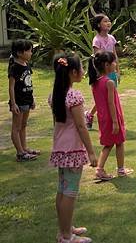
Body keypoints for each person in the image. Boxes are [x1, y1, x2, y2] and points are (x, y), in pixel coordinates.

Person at [49, 53, 97, 243]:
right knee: (70, 192)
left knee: (62, 189)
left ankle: (65, 228)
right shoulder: (74, 95)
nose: (83, 72)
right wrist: (91, 151)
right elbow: (80, 126)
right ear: (73, 72)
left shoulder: (56, 94)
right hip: (72, 149)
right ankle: (67, 236)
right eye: (81, 68)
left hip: (60, 147)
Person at [88, 50, 132, 180]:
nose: (115, 64)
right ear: (106, 65)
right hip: (112, 118)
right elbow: (111, 104)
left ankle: (101, 169)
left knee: (109, 144)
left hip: (103, 118)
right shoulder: (109, 83)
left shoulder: (95, 82)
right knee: (119, 142)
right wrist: (115, 121)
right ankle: (119, 170)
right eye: (113, 62)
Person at [85, 14, 120, 130]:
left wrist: (117, 71)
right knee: (102, 98)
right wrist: (101, 73)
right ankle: (90, 115)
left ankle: (111, 119)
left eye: (109, 20)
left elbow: (115, 56)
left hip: (112, 72)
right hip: (101, 74)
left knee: (111, 96)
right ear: (99, 25)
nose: (108, 23)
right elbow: (97, 58)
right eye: (105, 21)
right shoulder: (97, 40)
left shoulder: (111, 38)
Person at [7, 39, 39, 162]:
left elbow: (29, 82)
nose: (31, 53)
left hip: (27, 100)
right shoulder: (14, 67)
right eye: (29, 51)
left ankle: (24, 148)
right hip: (19, 102)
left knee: (24, 125)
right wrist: (13, 103)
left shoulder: (26, 64)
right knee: (16, 127)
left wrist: (32, 99)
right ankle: (20, 153)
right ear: (20, 53)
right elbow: (11, 87)